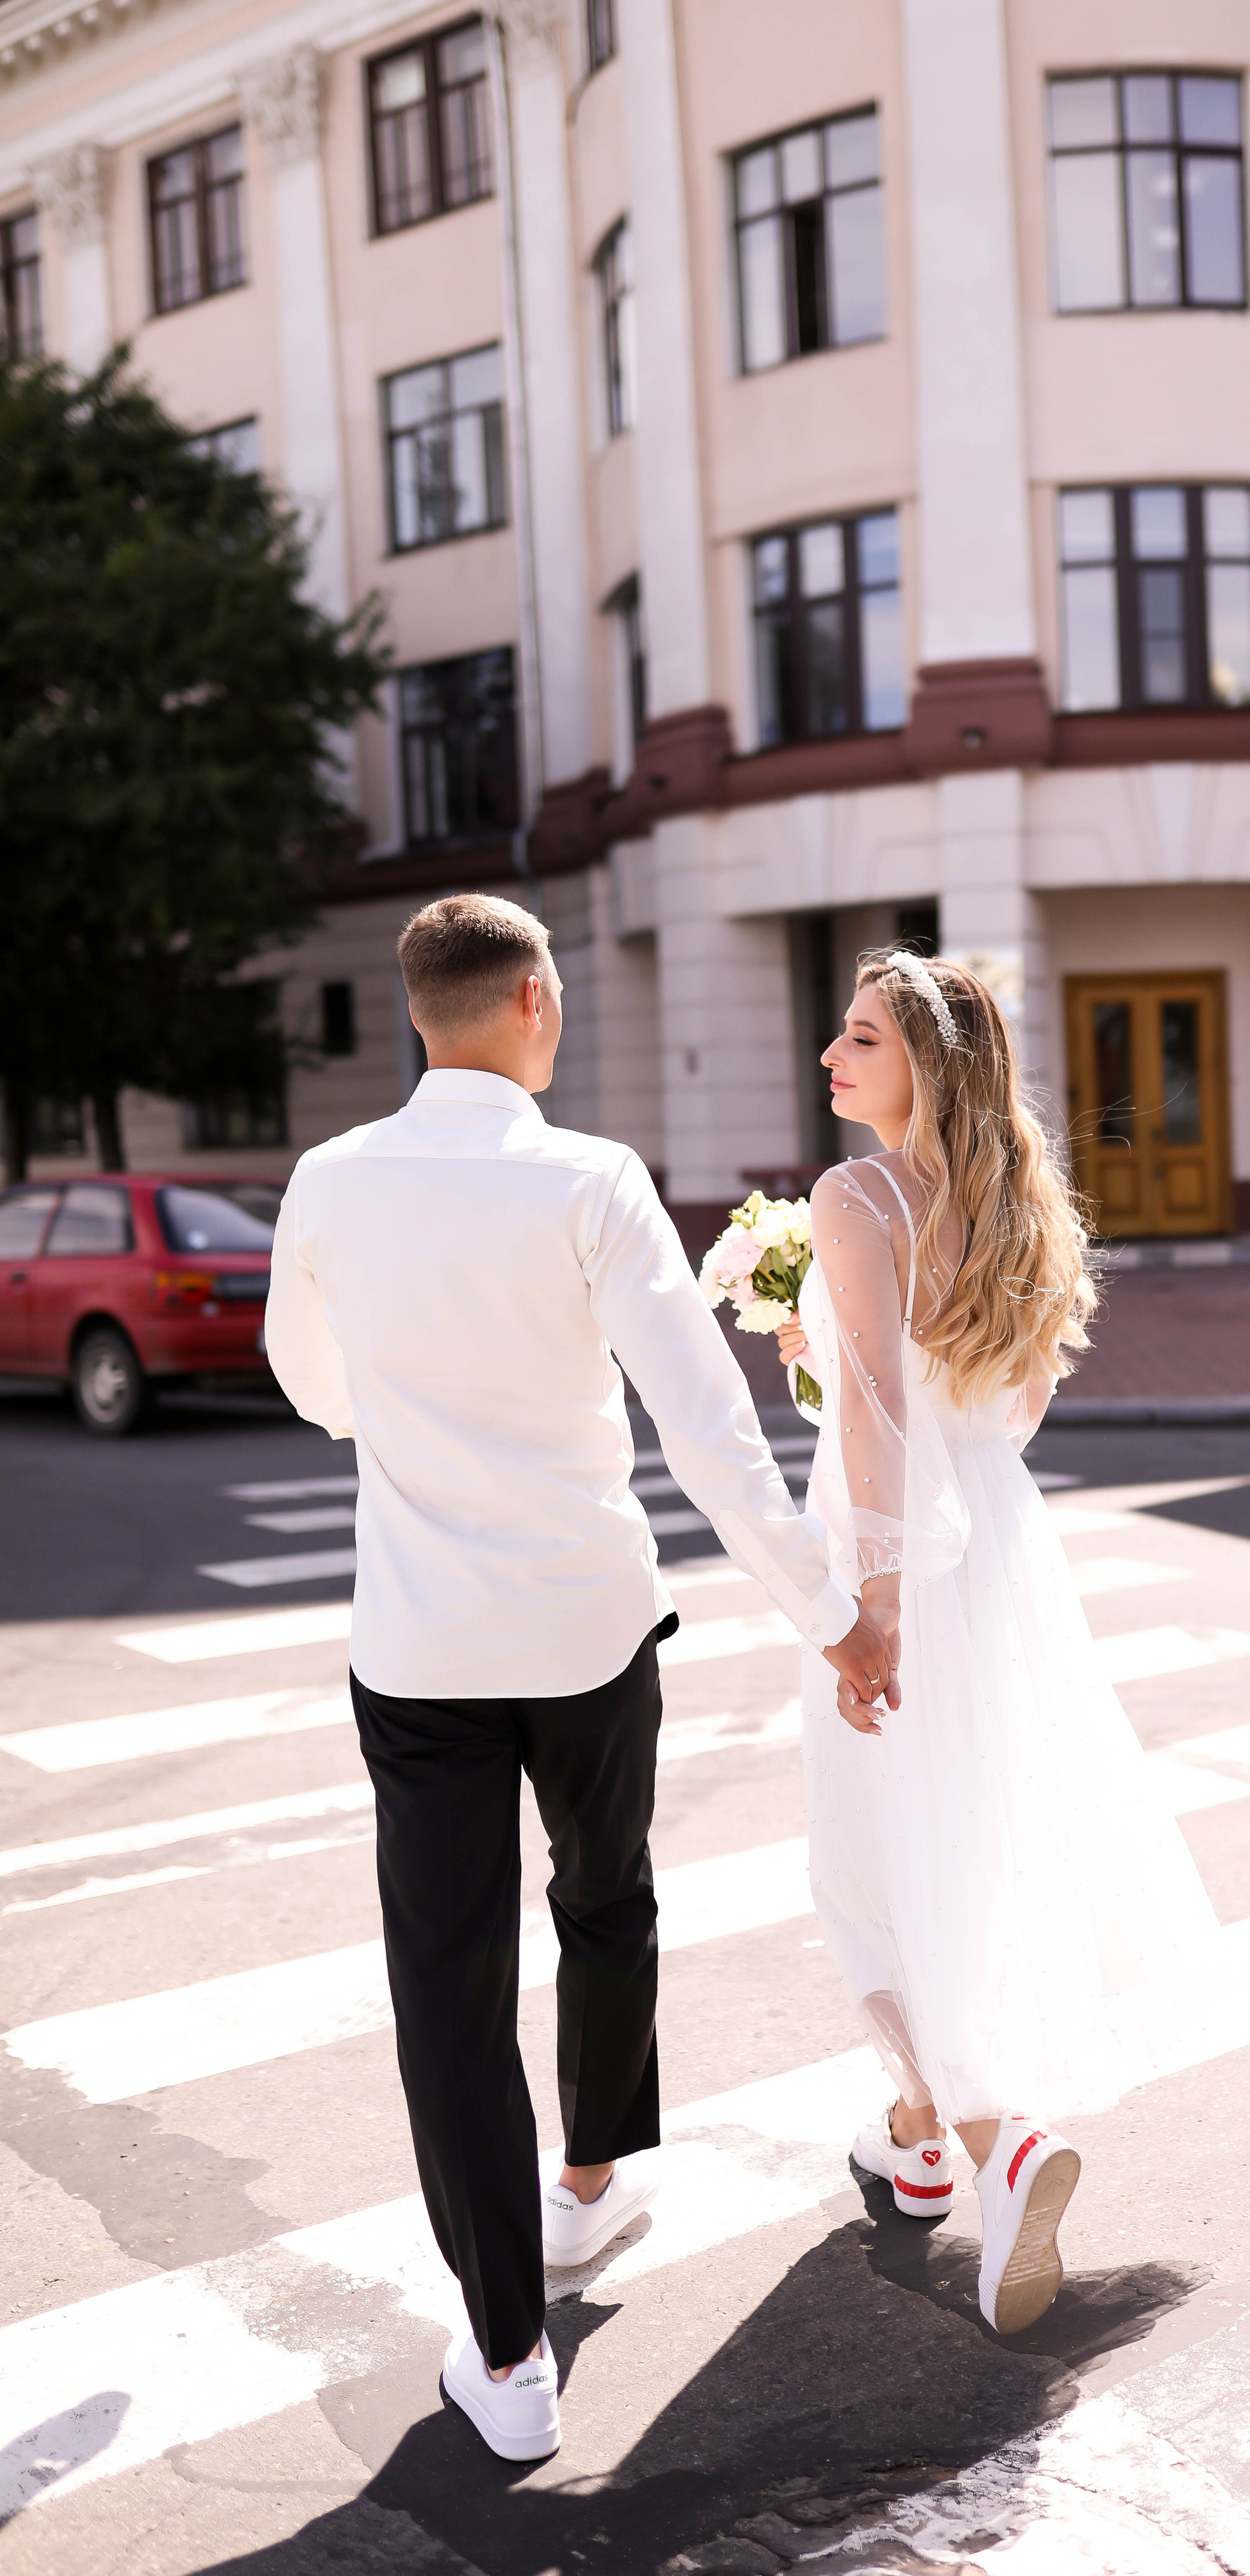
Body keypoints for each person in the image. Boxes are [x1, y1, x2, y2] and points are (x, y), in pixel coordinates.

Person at [265, 892, 896, 2465]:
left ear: (421, 1014)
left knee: (449, 1987)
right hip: (589, 1633)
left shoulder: (330, 1183)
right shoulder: (592, 1180)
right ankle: (595, 2188)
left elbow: (311, 1386)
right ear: (536, 1000)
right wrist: (830, 1611)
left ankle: (505, 2356)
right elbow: (703, 1427)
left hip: (418, 1649)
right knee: (604, 1894)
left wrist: (399, 1408)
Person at [774, 951, 1222, 2335]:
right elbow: (1007, 1407)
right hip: (1003, 1542)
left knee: (871, 1867)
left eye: (859, 1039)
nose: (830, 1058)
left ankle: (996, 2151)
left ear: (923, 1065)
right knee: (961, 1841)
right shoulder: (1017, 1202)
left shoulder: (854, 1197)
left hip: (898, 1549)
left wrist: (875, 1600)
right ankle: (909, 2134)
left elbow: (866, 1413)